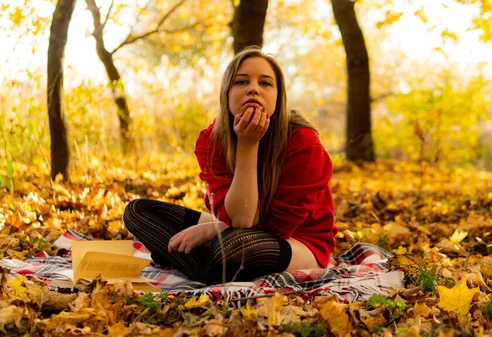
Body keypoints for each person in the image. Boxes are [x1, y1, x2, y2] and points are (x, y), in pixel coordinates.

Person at [123, 47, 337, 285]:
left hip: (298, 241)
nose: (253, 88)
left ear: (279, 97)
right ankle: (210, 267)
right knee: (138, 212)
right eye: (241, 81)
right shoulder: (211, 140)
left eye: (265, 83)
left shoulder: (304, 142)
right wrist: (220, 227)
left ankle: (198, 264)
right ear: (227, 93)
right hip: (237, 225)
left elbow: (276, 228)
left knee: (232, 246)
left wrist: (214, 230)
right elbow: (236, 217)